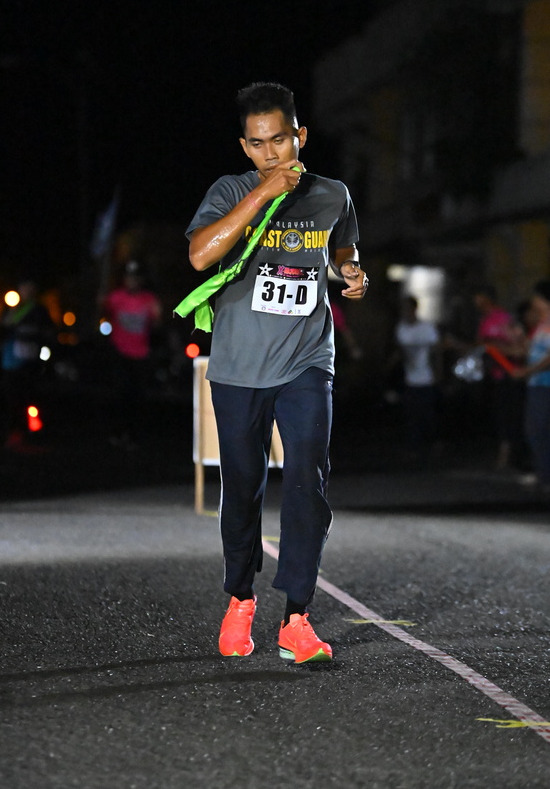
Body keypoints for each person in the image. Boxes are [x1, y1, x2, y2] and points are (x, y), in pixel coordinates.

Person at [185, 82, 368, 663]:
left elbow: (341, 251)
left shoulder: (332, 195)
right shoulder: (230, 190)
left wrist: (352, 273)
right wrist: (264, 191)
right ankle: (240, 598)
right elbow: (201, 254)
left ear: (300, 136)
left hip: (307, 358)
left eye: (281, 141)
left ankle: (296, 617)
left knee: (308, 480)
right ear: (245, 146)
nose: (272, 153)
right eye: (259, 144)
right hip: (239, 365)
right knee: (243, 486)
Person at [510, 281, 550, 492]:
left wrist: (526, 371)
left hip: (545, 384)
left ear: (547, 302)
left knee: (536, 430)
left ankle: (546, 478)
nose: (534, 302)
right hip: (547, 384)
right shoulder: (545, 325)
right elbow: (531, 351)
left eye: (537, 298)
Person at [104, 260, 162, 451]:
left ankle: (134, 436)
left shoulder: (149, 299)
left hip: (140, 354)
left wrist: (157, 316)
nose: (132, 281)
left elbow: (157, 324)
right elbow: (104, 314)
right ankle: (118, 433)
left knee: (138, 397)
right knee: (120, 395)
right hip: (120, 353)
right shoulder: (116, 297)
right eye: (129, 278)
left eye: (136, 278)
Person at [0, 278, 54, 450]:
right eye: (24, 287)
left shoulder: (40, 311)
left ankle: (32, 433)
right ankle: (14, 434)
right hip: (12, 363)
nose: (27, 290)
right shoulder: (10, 309)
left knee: (31, 398)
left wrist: (44, 360)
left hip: (32, 363)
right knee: (13, 399)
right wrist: (9, 319)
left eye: (31, 287)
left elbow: (49, 335)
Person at [473, 285, 526, 470]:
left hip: (509, 373)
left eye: (478, 297)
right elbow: (480, 345)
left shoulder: (503, 318)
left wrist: (497, 348)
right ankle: (503, 453)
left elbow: (518, 346)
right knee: (498, 415)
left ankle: (509, 455)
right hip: (493, 374)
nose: (475, 302)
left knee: (509, 416)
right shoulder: (484, 320)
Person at [393, 295, 440, 461]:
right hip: (410, 379)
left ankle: (433, 445)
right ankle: (414, 447)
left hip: (427, 378)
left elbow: (436, 353)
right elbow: (400, 352)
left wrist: (439, 375)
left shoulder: (427, 328)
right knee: (411, 415)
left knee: (427, 414)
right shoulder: (401, 329)